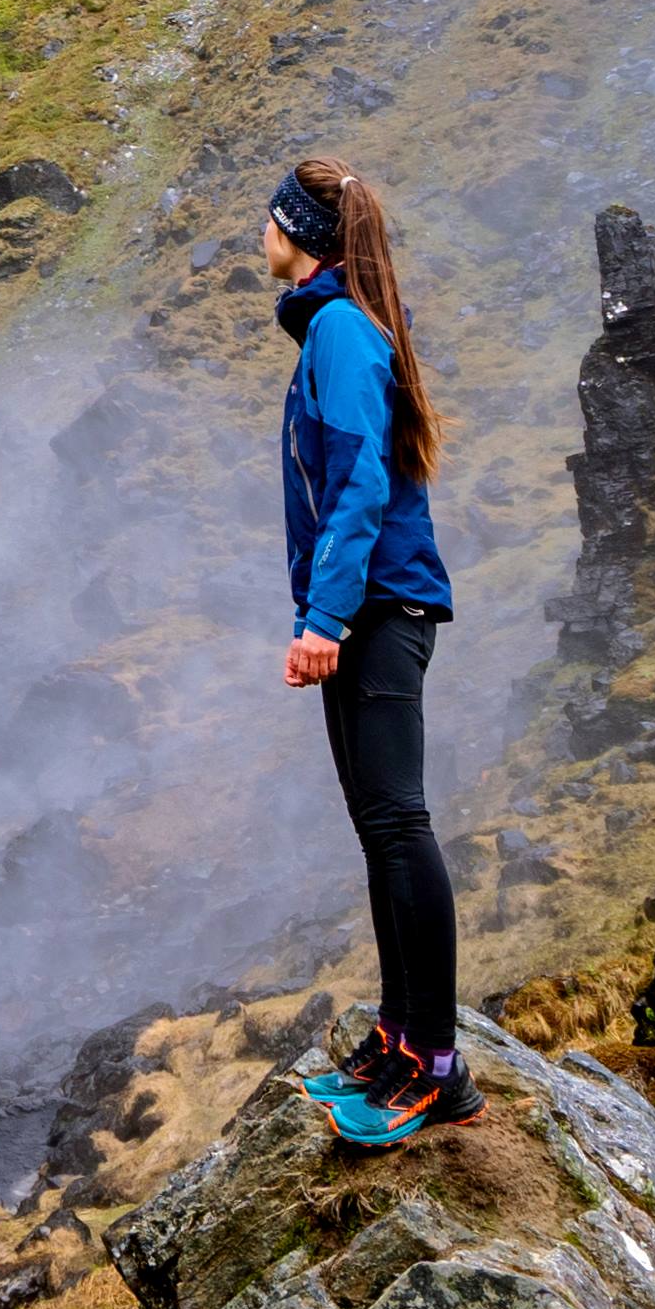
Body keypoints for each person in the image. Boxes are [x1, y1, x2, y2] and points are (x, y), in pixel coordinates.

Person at [260, 156, 472, 1143]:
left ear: (301, 235)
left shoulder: (340, 330)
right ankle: (396, 1040)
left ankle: (437, 1062)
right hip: (370, 609)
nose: (259, 234)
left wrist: (326, 620)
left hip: (381, 612)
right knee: (381, 828)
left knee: (399, 823)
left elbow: (357, 484)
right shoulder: (336, 328)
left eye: (270, 220)